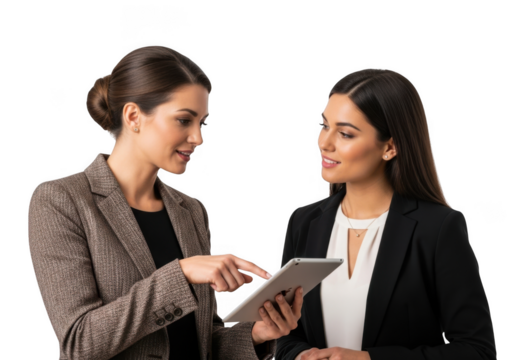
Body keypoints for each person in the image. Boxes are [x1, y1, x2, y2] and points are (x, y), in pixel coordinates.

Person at [27, 45, 303, 360]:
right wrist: (181, 273)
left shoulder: (191, 210)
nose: (198, 137)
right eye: (184, 120)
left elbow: (201, 340)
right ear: (133, 116)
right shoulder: (62, 201)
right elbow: (80, 342)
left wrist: (256, 334)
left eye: (202, 122)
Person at [275, 69, 496, 360]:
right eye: (324, 125)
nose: (324, 143)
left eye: (345, 133)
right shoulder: (304, 222)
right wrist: (300, 355)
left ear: (390, 147)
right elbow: (288, 336)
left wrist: (369, 359)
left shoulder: (437, 229)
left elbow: (476, 350)